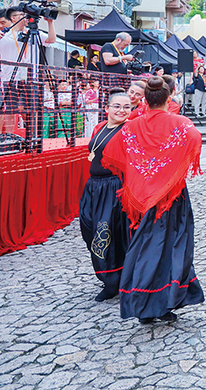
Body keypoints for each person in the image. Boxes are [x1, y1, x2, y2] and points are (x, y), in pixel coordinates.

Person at [102, 76, 204, 324]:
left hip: (142, 198)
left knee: (144, 246)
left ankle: (145, 302)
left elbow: (112, 153)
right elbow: (195, 140)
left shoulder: (131, 126)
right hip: (172, 197)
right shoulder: (181, 123)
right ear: (169, 99)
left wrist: (142, 170)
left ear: (145, 100)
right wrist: (170, 167)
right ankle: (161, 301)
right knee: (172, 248)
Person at [78, 89, 131, 302]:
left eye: (127, 107)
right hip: (94, 187)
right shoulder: (100, 127)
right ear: (106, 108)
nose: (122, 110)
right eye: (117, 106)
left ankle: (113, 281)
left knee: (106, 233)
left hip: (114, 187)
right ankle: (108, 276)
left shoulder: (129, 130)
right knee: (88, 227)